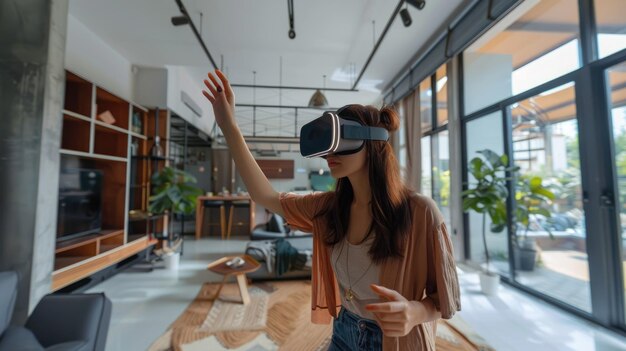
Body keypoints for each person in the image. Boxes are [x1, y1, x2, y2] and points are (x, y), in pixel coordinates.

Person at [202, 70, 460, 351]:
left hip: (392, 341)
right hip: (343, 329)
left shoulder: (420, 212)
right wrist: (229, 126)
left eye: (341, 141)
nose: (329, 155)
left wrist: (415, 313)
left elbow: (444, 299)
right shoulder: (328, 208)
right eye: (327, 146)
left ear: (372, 143)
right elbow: (264, 195)